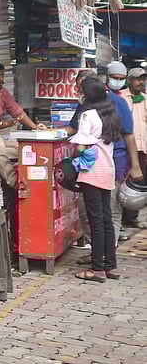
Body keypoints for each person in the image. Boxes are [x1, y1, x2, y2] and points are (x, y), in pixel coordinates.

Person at [65, 63, 143, 247]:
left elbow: (129, 134)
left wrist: (135, 165)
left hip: (110, 164)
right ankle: (101, 253)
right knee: (93, 213)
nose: (80, 91)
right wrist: (50, 132)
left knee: (107, 212)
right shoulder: (85, 107)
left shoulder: (115, 104)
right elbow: (74, 129)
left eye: (83, 87)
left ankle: (106, 253)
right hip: (93, 167)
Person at [71, 77, 122, 282]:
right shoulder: (109, 113)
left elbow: (81, 146)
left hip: (91, 172)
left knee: (96, 221)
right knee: (106, 220)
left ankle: (97, 269)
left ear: (87, 94)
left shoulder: (87, 115)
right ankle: (111, 266)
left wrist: (73, 157)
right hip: (107, 170)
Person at [0, 60, 46, 188]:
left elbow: (17, 111)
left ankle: (33, 180)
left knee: (22, 150)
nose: (1, 79)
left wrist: (35, 127)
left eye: (2, 75)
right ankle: (14, 182)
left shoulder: (2, 92)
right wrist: (7, 123)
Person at [120, 66, 147, 230]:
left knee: (139, 184)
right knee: (122, 182)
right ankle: (120, 219)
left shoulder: (145, 99)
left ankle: (132, 217)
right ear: (129, 80)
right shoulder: (121, 98)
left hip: (142, 148)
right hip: (124, 147)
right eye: (138, 79)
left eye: (143, 79)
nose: (141, 82)